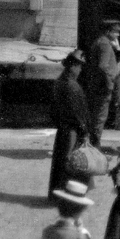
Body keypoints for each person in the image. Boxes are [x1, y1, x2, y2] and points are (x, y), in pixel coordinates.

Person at [49, 49, 91, 197]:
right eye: (80, 66)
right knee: (70, 162)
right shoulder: (71, 86)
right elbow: (76, 114)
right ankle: (66, 195)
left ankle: (57, 193)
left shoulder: (60, 81)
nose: (80, 70)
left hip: (63, 129)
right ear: (73, 66)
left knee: (60, 163)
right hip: (72, 130)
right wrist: (85, 130)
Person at [80, 19, 120, 148]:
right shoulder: (104, 44)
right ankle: (95, 146)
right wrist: (112, 78)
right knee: (100, 118)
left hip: (98, 85)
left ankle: (118, 97)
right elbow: (102, 66)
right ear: (108, 31)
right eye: (116, 32)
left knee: (96, 116)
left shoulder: (101, 42)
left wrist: (117, 48)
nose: (118, 35)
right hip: (103, 87)